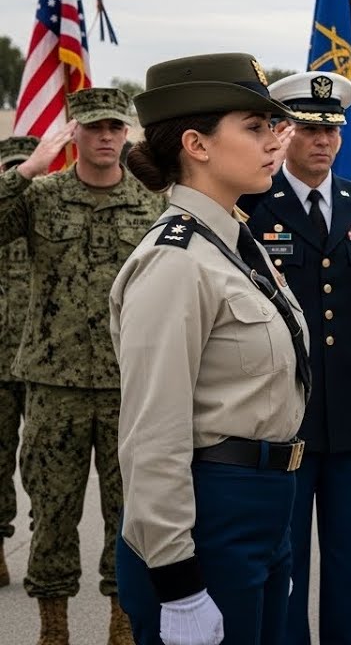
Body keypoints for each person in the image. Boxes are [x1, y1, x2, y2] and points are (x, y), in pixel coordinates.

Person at [109, 52, 310, 645]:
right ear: (196, 145)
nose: (277, 140)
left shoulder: (233, 241)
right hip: (209, 514)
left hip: (262, 510)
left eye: (273, 126)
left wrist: (273, 537)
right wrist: (178, 582)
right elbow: (152, 434)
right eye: (254, 127)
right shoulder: (175, 262)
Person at [239, 71, 351, 645]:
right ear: (284, 132)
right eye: (312, 129)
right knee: (283, 565)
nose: (324, 141)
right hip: (281, 414)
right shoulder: (252, 206)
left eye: (333, 130)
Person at [0, 88, 165, 645]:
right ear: (75, 132)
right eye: (93, 127)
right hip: (54, 385)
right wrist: (27, 169)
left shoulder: (152, 205)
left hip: (129, 386)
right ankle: (54, 629)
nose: (105, 137)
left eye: (114, 128)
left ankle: (124, 622)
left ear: (127, 134)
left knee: (132, 515)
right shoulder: (41, 196)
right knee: (52, 511)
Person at [0, 135, 38, 590]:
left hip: (41, 363)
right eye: (11, 167)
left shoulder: (46, 218)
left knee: (44, 466)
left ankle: (43, 542)